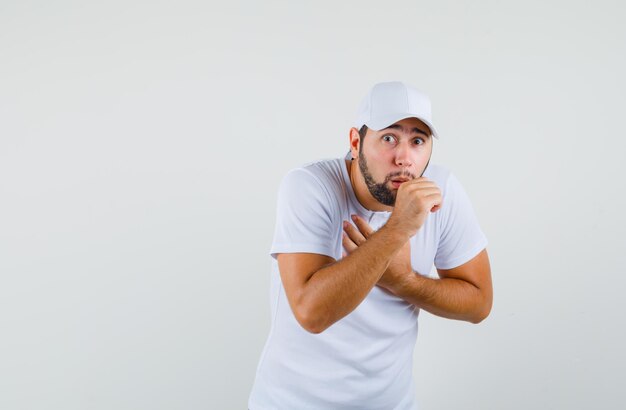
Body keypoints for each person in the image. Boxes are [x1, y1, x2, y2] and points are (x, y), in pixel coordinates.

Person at [248, 81, 493, 409]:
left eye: (417, 141)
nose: (404, 158)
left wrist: (403, 282)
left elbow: (479, 303)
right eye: (389, 138)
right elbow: (311, 313)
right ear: (355, 141)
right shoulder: (310, 186)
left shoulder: (443, 190)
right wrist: (397, 230)